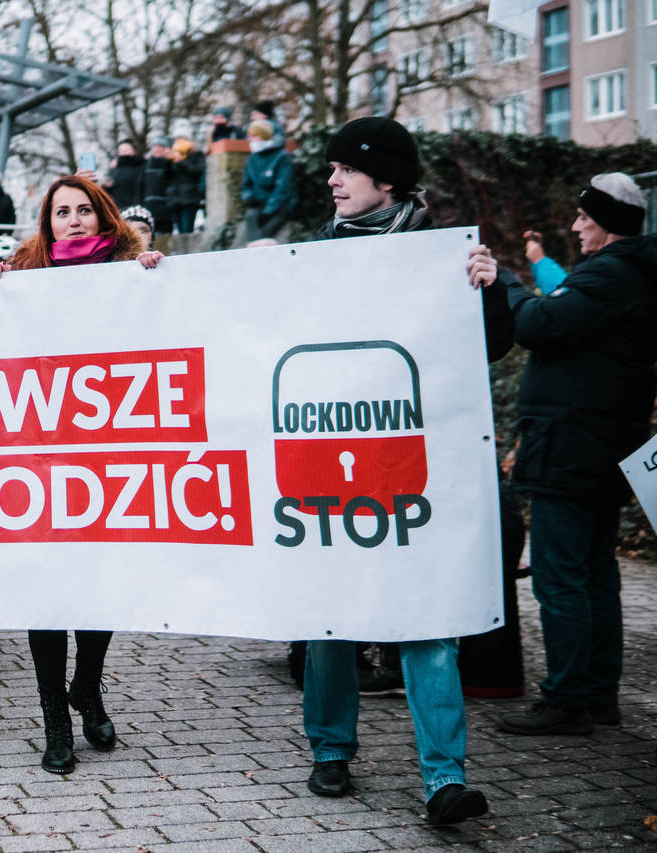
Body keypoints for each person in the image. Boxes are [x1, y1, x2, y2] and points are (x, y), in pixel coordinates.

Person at [302, 118, 511, 825]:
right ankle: (330, 748)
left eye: (344, 170)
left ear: (385, 179)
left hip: (416, 465)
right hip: (331, 460)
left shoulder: (442, 255)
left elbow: (489, 349)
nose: (331, 181)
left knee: (430, 618)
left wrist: (488, 290)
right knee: (330, 613)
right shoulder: (315, 253)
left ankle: (444, 778)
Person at [0, 174, 161, 773]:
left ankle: (88, 684)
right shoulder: (21, 277)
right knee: (47, 593)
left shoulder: (138, 274)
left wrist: (163, 284)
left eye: (85, 210)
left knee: (99, 585)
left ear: (104, 217)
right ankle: (56, 716)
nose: (74, 220)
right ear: (47, 222)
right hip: (38, 456)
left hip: (108, 455)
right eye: (62, 212)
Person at [468, 174, 655, 736]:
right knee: (596, 573)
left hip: (570, 446)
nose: (574, 226)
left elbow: (541, 325)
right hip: (603, 445)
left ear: (609, 223)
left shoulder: (611, 274)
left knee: (560, 578)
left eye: (584, 218)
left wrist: (509, 282)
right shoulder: (635, 274)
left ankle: (567, 698)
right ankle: (599, 695)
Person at [241, 119, 295, 243]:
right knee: (251, 217)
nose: (250, 140)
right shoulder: (252, 158)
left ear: (264, 136)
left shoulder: (282, 157)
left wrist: (268, 211)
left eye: (254, 136)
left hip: (279, 207)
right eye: (249, 136)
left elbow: (283, 188)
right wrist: (249, 197)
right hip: (259, 206)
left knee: (264, 233)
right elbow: (246, 184)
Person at [167, 137, 205, 234]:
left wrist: (181, 162)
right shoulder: (171, 162)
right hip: (175, 199)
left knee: (187, 229)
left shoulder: (196, 157)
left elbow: (196, 171)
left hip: (189, 199)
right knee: (179, 230)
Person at [142, 137, 175, 235]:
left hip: (166, 205)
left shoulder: (170, 164)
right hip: (149, 205)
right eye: (154, 146)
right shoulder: (145, 165)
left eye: (160, 146)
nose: (156, 149)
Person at [102, 140, 146, 211]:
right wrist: (106, 186)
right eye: (121, 151)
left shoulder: (142, 166)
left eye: (126, 150)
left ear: (134, 151)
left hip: (137, 207)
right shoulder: (114, 168)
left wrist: (138, 207)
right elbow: (108, 192)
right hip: (118, 208)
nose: (124, 153)